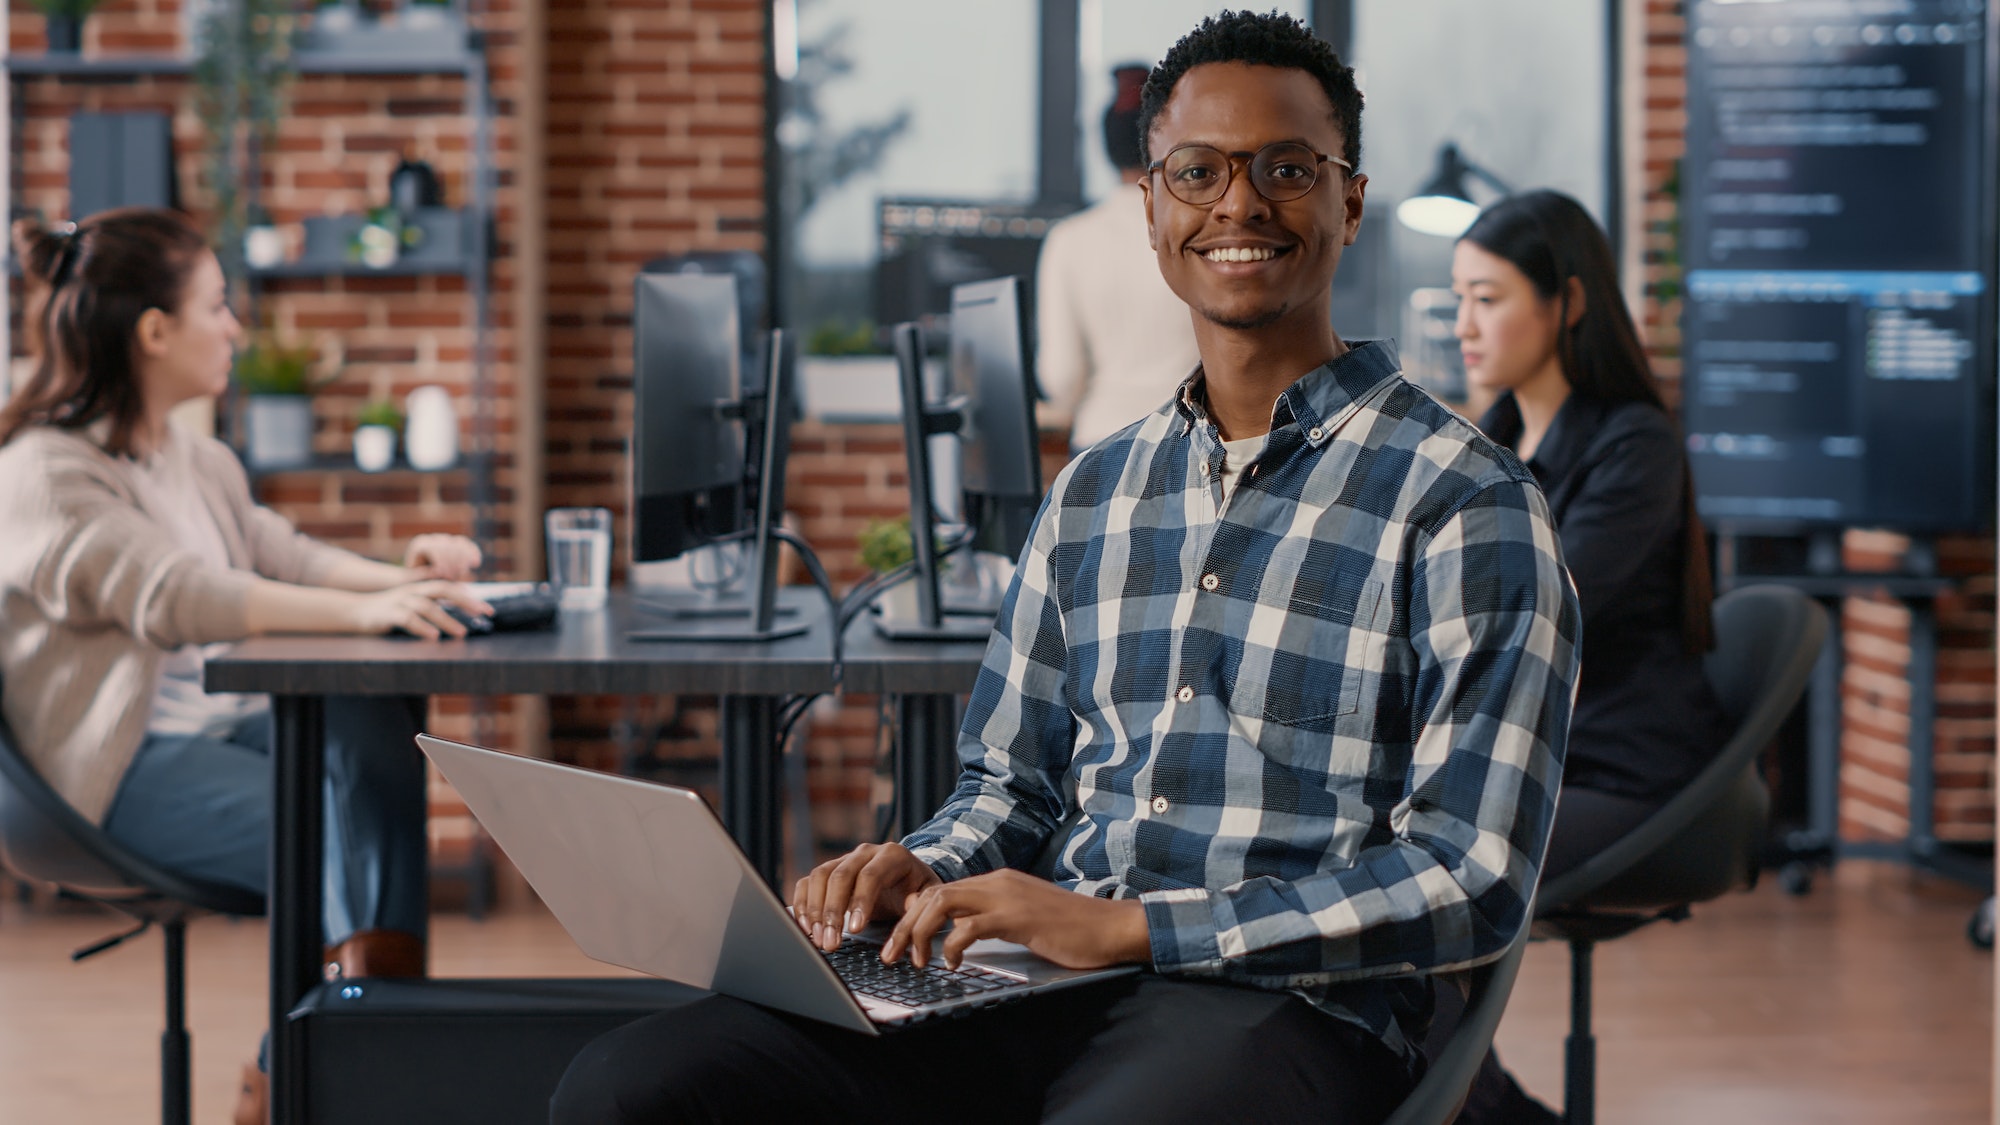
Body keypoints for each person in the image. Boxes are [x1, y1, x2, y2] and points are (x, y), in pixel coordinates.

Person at [551, 13, 1580, 1124]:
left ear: (1348, 199)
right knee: (633, 1086)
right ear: (1151, 207)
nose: (1238, 204)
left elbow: (1467, 880)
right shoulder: (1095, 490)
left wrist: (1132, 930)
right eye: (1197, 171)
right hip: (1029, 976)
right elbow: (1012, 786)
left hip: (1286, 1004)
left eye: (1286, 169)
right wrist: (924, 865)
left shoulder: (1465, 501)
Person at [0, 207, 492, 1123]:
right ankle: (317, 1076)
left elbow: (286, 554)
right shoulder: (45, 473)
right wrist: (363, 609)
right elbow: (179, 593)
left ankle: (336, 1066)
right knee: (335, 844)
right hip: (108, 772)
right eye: (217, 306)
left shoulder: (194, 457)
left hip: (213, 730)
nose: (235, 328)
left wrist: (401, 582)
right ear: (154, 331)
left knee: (376, 713)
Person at [1449, 189, 1727, 1124]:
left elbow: (1535, 611)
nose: (1465, 326)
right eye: (1459, 300)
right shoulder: (1491, 443)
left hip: (1623, 768)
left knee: (1425, 881)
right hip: (1534, 762)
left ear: (1567, 302)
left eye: (1488, 298)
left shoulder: (1632, 442)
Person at [1035, 64, 1202, 453]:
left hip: (1101, 442)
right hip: (1193, 440)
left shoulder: (1069, 241)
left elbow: (1061, 378)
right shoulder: (1204, 230)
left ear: (1106, 145)